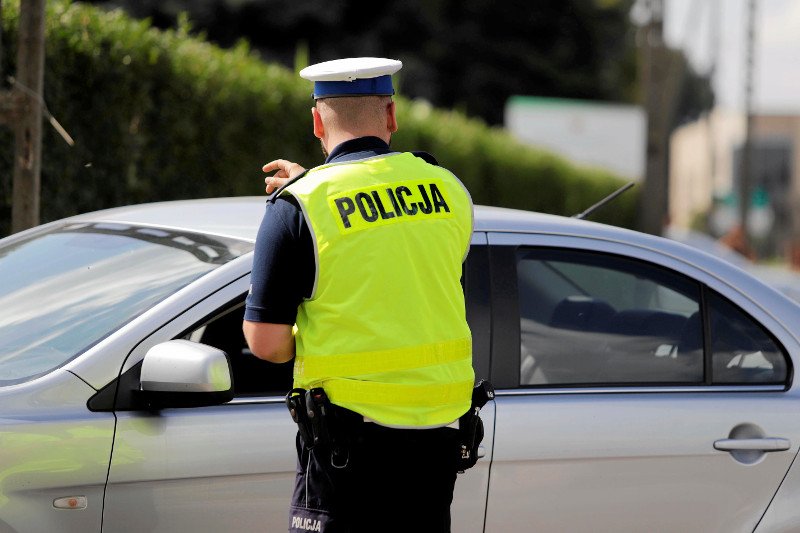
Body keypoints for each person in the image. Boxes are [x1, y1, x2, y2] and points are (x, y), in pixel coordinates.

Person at [243, 57, 476, 533]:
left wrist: (310, 189)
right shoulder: (450, 190)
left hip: (344, 452)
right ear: (391, 115)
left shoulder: (298, 207)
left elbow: (265, 343)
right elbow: (399, 261)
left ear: (316, 122)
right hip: (437, 449)